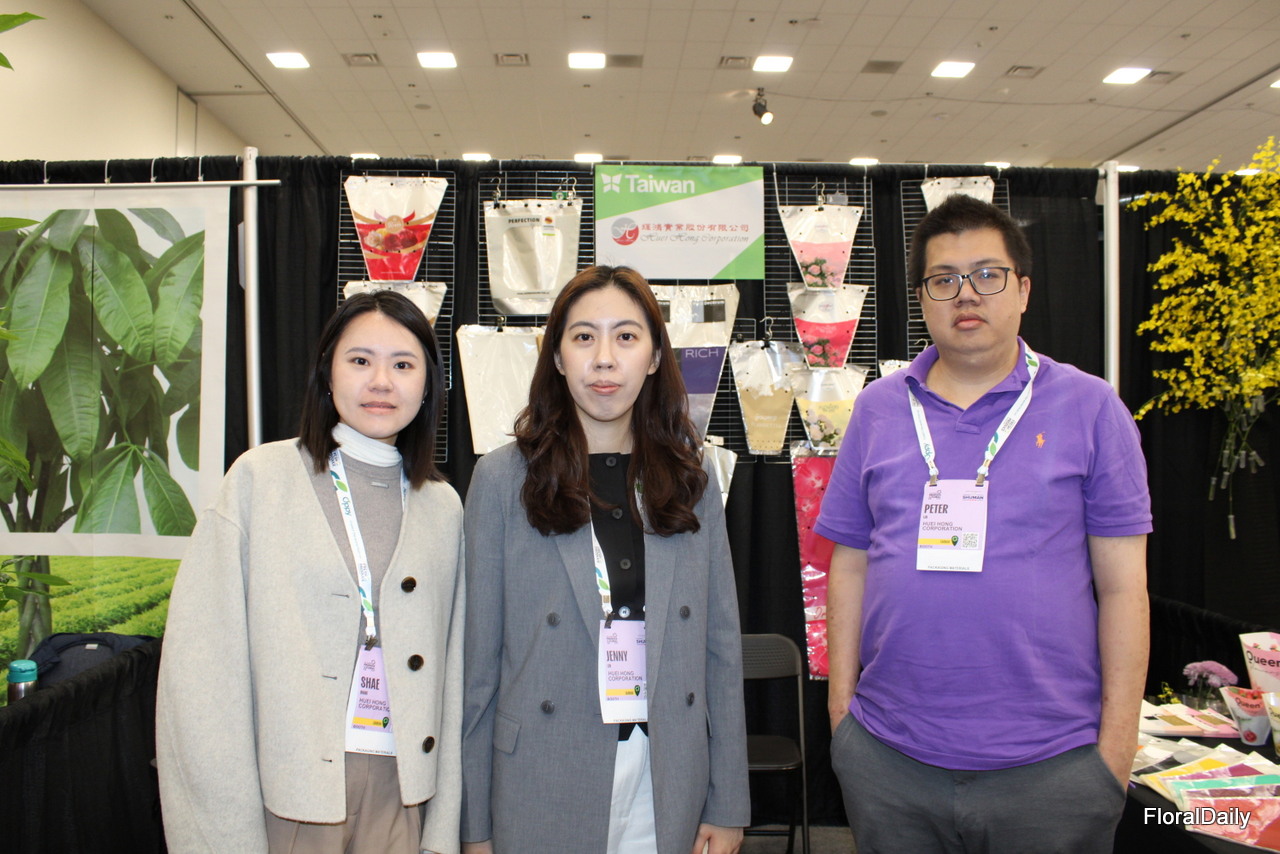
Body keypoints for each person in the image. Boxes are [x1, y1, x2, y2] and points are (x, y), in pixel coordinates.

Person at [817, 195, 1151, 853]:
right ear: (921, 299)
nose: (966, 294)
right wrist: (841, 718)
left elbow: (1124, 590)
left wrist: (1114, 753)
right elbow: (849, 564)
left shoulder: (1091, 408)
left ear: (1023, 290)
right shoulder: (878, 409)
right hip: (889, 759)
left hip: (1054, 768)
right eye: (943, 279)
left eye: (987, 275)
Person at [156, 291, 464, 854]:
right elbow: (200, 671)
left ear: (428, 386)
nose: (381, 381)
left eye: (403, 365)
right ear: (327, 373)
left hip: (401, 793)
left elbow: (453, 674)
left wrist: (442, 830)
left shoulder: (442, 507)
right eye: (360, 360)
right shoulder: (259, 479)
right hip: (286, 794)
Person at [460, 265, 749, 854]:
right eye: (584, 337)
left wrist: (728, 802)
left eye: (626, 336)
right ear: (557, 356)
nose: (604, 359)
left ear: (654, 356)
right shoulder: (502, 480)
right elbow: (477, 668)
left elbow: (720, 649)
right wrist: (474, 826)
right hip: (542, 771)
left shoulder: (690, 478)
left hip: (666, 774)